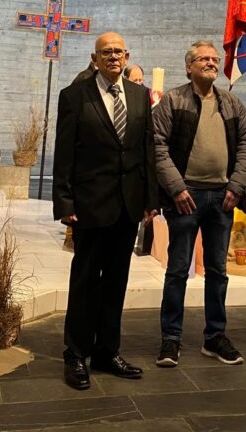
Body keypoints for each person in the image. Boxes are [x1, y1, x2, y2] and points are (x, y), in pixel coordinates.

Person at [52, 31, 158, 390]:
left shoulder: (141, 96)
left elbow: (146, 150)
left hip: (127, 205)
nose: (113, 57)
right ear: (95, 59)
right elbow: (65, 152)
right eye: (105, 52)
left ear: (127, 56)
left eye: (118, 52)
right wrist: (64, 202)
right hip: (90, 205)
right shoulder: (74, 96)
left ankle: (107, 352)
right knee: (84, 282)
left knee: (116, 281)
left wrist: (150, 198)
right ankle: (76, 354)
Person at [153, 40, 246, 367]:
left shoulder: (232, 103)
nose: (211, 63)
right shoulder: (172, 101)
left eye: (214, 58)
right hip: (185, 197)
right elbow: (157, 147)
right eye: (204, 59)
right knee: (178, 270)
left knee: (218, 271)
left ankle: (215, 337)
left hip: (222, 198)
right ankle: (171, 339)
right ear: (189, 67)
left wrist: (236, 185)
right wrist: (177, 188)